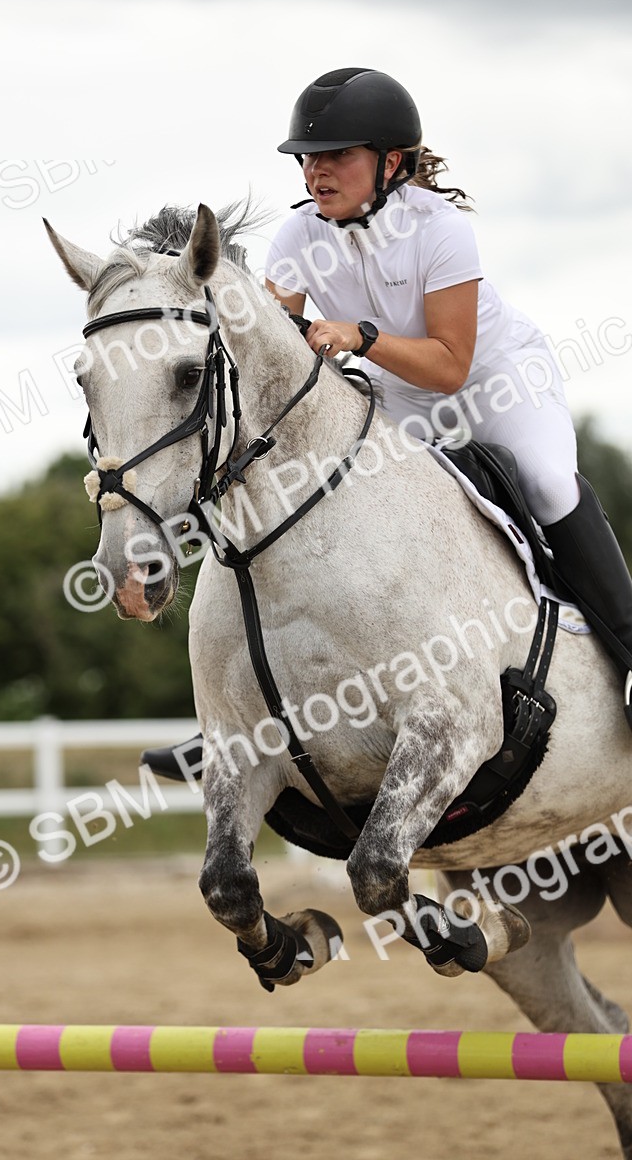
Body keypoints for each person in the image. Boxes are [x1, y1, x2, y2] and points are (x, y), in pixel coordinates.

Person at [141, 66, 632, 782]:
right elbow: (267, 342)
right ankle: (233, 724)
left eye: (336, 155)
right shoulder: (298, 236)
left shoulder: (441, 230)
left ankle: (629, 655)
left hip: (493, 381)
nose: (316, 171)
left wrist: (360, 337)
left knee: (549, 482)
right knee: (307, 499)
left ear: (391, 161)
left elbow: (450, 367)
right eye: (308, 157)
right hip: (396, 393)